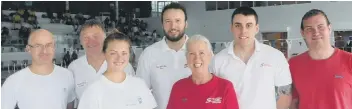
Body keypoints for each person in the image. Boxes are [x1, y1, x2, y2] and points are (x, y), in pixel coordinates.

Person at [210, 7, 292, 109]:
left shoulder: (275, 56)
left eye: (249, 25)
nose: (243, 31)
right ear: (231, 28)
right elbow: (212, 97)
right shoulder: (217, 61)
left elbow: (284, 95)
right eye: (238, 25)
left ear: (256, 28)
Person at [289, 9, 352, 109]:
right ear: (302, 33)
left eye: (320, 27)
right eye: (309, 29)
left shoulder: (349, 60)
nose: (316, 32)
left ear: (329, 28)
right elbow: (294, 102)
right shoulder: (293, 64)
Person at [78, 29, 157, 109]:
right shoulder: (93, 91)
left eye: (124, 53)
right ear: (104, 54)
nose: (119, 58)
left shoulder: (140, 85)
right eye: (113, 53)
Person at [136, 3, 191, 109]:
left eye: (178, 21)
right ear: (162, 25)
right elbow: (140, 93)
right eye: (168, 21)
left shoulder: (200, 52)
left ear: (186, 24)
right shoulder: (149, 54)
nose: (173, 26)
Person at [1, 29, 75, 109]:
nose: (44, 51)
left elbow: (69, 104)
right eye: (38, 46)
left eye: (49, 45)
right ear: (28, 49)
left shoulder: (67, 75)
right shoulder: (13, 82)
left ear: (54, 47)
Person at [68, 20, 135, 104]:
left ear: (105, 38)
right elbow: (70, 102)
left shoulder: (124, 66)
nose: (91, 41)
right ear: (80, 41)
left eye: (96, 36)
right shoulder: (73, 69)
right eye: (86, 37)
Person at [167, 35, 239, 109]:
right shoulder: (178, 88)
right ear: (187, 58)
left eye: (201, 53)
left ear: (210, 56)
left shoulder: (225, 88)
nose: (197, 58)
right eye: (192, 54)